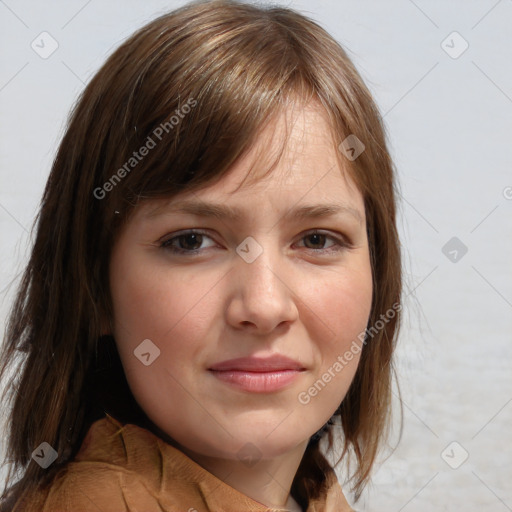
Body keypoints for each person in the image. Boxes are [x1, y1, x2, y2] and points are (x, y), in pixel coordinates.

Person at [0, 0, 402, 510]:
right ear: (94, 286)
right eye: (191, 241)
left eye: (317, 239)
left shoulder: (309, 493)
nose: (264, 306)